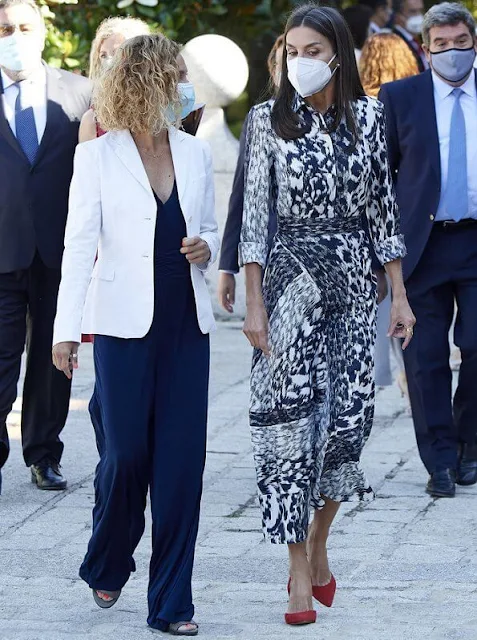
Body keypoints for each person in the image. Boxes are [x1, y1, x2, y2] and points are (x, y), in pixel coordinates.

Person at [239, 3, 414, 625]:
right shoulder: (266, 120)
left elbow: (383, 211)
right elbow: (255, 215)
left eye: (312, 51)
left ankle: (319, 542)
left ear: (338, 54)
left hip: (352, 282)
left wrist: (398, 292)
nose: (299, 61)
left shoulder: (370, 116)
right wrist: (252, 301)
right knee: (287, 427)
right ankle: (294, 572)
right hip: (289, 282)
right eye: (291, 50)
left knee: (350, 421)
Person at [52, 34, 219, 635]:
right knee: (125, 457)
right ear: (146, 82)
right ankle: (109, 556)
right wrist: (64, 332)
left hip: (186, 326)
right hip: (122, 328)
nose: (184, 87)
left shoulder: (195, 153)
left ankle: (172, 604)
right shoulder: (97, 157)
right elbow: (77, 250)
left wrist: (208, 248)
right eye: (174, 75)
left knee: (182, 465)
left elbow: (212, 230)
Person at [379, 2, 477, 497]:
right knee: (425, 357)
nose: (452, 52)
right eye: (441, 44)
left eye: (461, 42)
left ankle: (470, 443)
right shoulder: (401, 97)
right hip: (423, 246)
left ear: (473, 42)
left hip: (476, 241)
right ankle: (439, 459)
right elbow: (382, 177)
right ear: (426, 48)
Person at [0, 0, 90, 495]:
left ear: (43, 31)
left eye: (24, 26)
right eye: (5, 28)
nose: (15, 35)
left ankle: (44, 454)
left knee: (54, 363)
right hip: (1, 252)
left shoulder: (79, 92)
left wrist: (180, 98)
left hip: (62, 251)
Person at [359, 31, 419, 391]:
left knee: (385, 306)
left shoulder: (361, 109)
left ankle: (391, 372)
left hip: (373, 225)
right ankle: (407, 373)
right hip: (411, 218)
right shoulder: (415, 103)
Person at [217, 34, 283, 312]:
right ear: (273, 71)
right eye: (285, 62)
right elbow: (241, 192)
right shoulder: (260, 120)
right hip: (271, 258)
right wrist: (227, 266)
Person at [78, 16, 150, 143]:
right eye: (103, 55)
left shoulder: (162, 110)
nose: (109, 62)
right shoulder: (93, 120)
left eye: (117, 53)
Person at [391, 0, 428, 72]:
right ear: (398, 16)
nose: (419, 15)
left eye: (420, 10)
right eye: (413, 12)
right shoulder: (394, 43)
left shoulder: (419, 39)